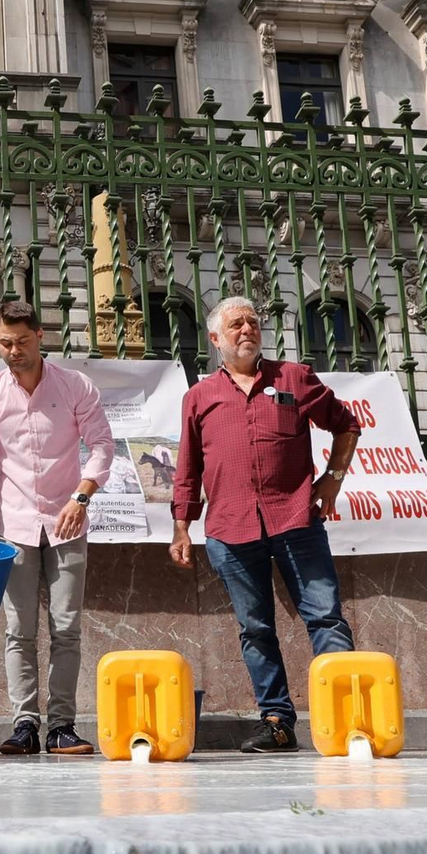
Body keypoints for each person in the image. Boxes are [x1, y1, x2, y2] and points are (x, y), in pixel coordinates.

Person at [170, 295, 362, 753]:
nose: (247, 330)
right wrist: (181, 527)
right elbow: (188, 468)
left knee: (325, 618)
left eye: (253, 322)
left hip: (296, 518)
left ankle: (350, 715)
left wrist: (332, 480)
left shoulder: (293, 377)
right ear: (216, 338)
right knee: (255, 629)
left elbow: (346, 425)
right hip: (230, 531)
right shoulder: (199, 397)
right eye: (236, 324)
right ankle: (276, 720)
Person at [0, 300, 115, 755]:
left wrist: (81, 496)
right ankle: (24, 724)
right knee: (18, 629)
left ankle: (62, 725)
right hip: (15, 524)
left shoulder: (74, 386)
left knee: (66, 627)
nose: (14, 351)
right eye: (5, 343)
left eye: (22, 342)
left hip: (68, 520)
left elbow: (102, 445)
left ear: (40, 336)